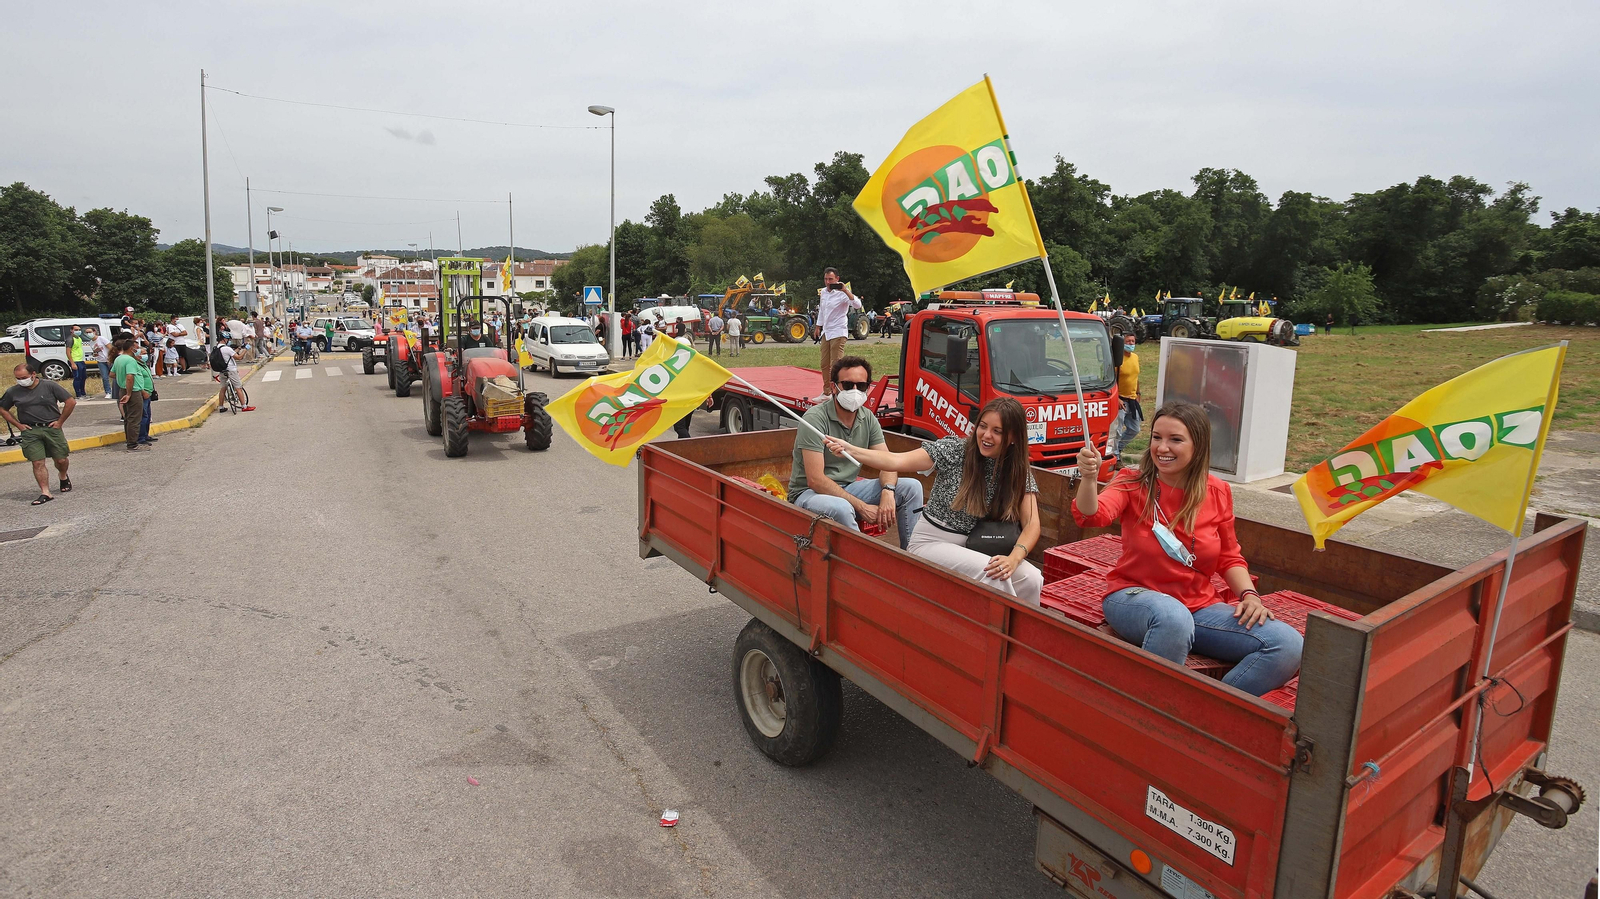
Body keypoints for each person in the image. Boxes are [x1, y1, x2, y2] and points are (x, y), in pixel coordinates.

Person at [1071, 402, 1302, 697]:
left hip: (1199, 607)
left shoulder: (1217, 491)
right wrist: (1089, 478)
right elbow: (1092, 515)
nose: (1162, 447)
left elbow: (1230, 556)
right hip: (1133, 597)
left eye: (1175, 439)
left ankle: (1209, 710)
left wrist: (1250, 596)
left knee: (1288, 644)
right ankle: (1155, 709)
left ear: (1198, 445)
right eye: (1156, 437)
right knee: (1172, 617)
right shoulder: (1131, 481)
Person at [825, 396, 1042, 603]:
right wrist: (850, 449)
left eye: (998, 431)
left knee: (1032, 579)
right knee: (994, 574)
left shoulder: (1017, 472)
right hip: (931, 542)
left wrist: (1014, 558)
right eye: (983, 426)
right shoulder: (956, 450)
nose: (986, 435)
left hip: (973, 545)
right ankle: (991, 637)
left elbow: (1032, 524)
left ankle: (1025, 638)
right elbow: (895, 461)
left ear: (1013, 437)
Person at [789, 356, 924, 550]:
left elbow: (888, 462)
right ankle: (862, 564)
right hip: (809, 494)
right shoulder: (815, 418)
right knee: (842, 508)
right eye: (847, 384)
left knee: (912, 487)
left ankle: (911, 556)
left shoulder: (867, 417)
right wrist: (861, 506)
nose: (854, 391)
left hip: (847, 487)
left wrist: (888, 490)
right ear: (834, 387)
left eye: (861, 386)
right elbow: (815, 480)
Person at [1, 363, 76, 504]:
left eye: (24, 377)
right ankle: (45, 492)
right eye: (18, 378)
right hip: (30, 431)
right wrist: (18, 425)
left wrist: (60, 422)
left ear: (33, 374)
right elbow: (3, 409)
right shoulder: (13, 392)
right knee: (37, 462)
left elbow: (70, 401)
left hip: (51, 428)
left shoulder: (49, 386)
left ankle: (63, 475)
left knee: (60, 459)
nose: (21, 380)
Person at [817, 267, 863, 397]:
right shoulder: (824, 293)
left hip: (838, 331)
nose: (827, 282)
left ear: (837, 279)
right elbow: (822, 310)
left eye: (830, 279)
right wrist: (818, 326)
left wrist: (846, 291)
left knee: (836, 364)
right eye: (825, 279)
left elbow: (858, 305)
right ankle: (827, 391)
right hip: (826, 331)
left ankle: (836, 392)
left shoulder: (843, 293)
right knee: (824, 364)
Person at [113, 338, 152, 451]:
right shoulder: (130, 360)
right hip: (133, 391)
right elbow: (130, 377)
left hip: (123, 389)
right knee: (135, 418)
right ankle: (133, 443)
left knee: (129, 418)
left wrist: (122, 381)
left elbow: (112, 373)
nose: (137, 349)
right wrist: (129, 393)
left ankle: (130, 440)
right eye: (136, 347)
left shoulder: (119, 359)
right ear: (131, 348)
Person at [1110, 334, 1142, 457]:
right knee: (1117, 431)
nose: (1131, 344)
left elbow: (1136, 377)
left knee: (1135, 429)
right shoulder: (1116, 360)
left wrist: (1138, 393)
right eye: (1128, 341)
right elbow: (1110, 380)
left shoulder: (1135, 357)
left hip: (1132, 400)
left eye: (1133, 341)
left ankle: (1118, 449)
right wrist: (1116, 398)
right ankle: (1115, 455)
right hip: (1120, 401)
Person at [88, 327, 112, 399]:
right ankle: (108, 392)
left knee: (115, 376)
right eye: (87, 332)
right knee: (105, 377)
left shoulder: (101, 339)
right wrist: (94, 354)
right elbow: (94, 351)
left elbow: (111, 348)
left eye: (90, 332)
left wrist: (110, 358)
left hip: (109, 360)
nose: (88, 334)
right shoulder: (91, 342)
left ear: (94, 332)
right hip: (101, 361)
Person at [67, 324, 88, 399]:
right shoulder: (70, 339)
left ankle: (83, 393)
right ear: (71, 330)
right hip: (75, 361)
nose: (78, 331)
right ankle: (78, 394)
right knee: (77, 377)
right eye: (76, 330)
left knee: (83, 377)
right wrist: (72, 363)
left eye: (79, 330)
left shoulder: (79, 338)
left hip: (80, 360)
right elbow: (68, 352)